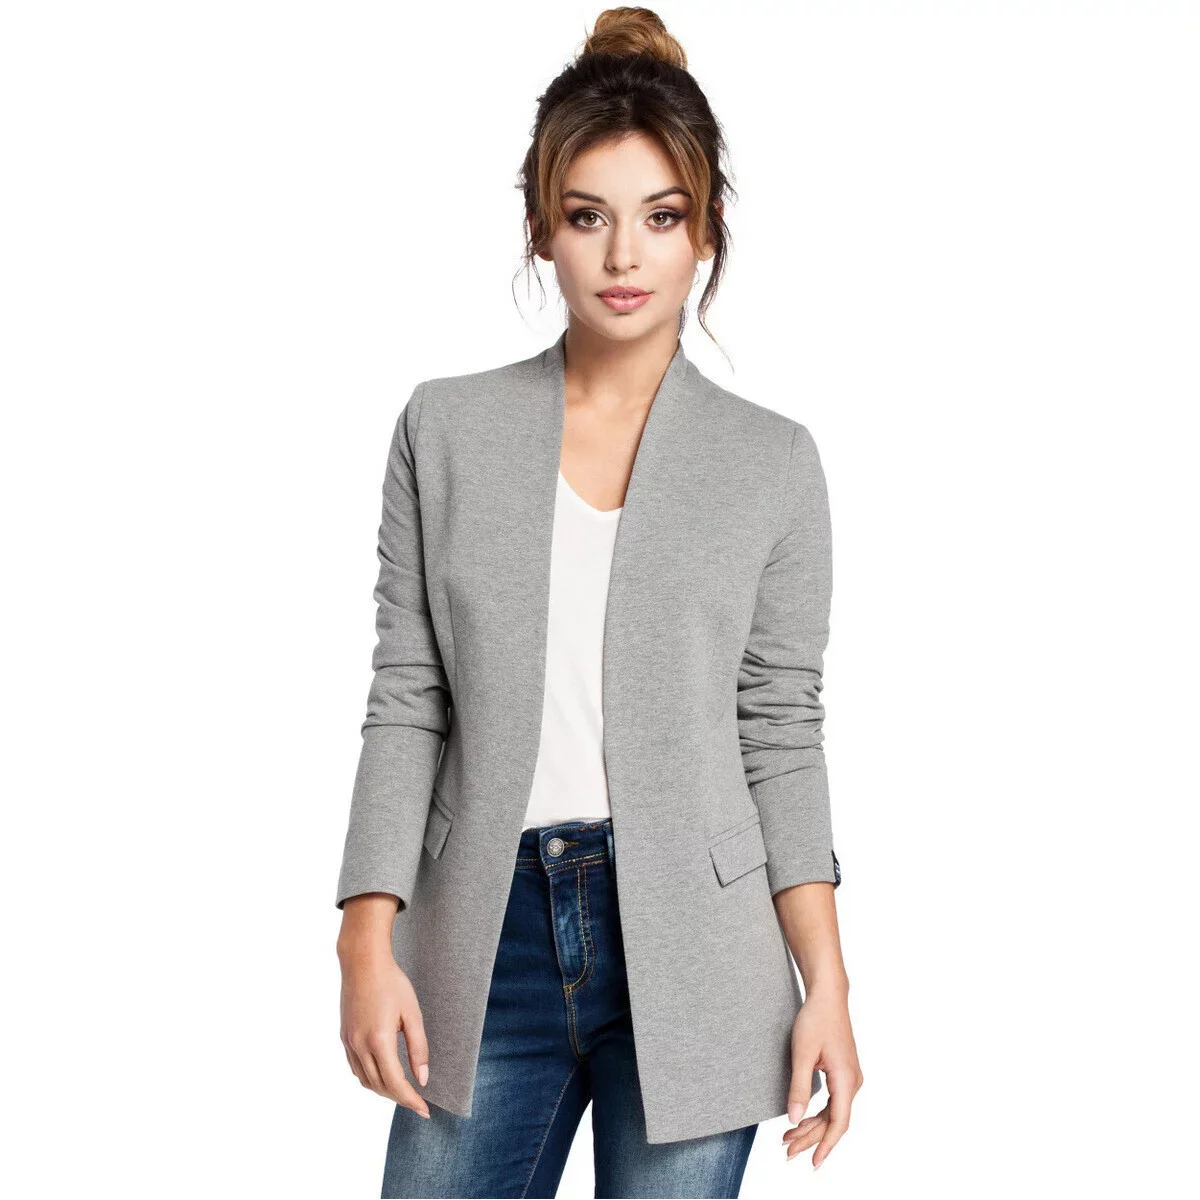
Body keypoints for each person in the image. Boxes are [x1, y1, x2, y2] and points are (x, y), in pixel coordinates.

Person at [335, 8, 863, 1197]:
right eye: (589, 217)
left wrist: (826, 981)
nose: (625, 256)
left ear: (705, 232)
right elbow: (408, 698)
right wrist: (365, 933)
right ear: (542, 228)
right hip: (485, 940)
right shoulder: (445, 429)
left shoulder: (772, 463)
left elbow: (780, 732)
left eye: (661, 217)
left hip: (702, 949)